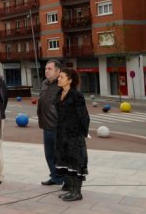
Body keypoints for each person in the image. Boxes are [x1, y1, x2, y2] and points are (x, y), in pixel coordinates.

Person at [54, 68, 90, 202]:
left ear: (70, 80)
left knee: (76, 162)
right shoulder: (59, 93)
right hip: (62, 133)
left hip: (74, 135)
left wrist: (81, 134)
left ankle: (77, 192)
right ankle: (71, 190)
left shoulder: (77, 95)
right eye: (59, 77)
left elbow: (84, 116)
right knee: (65, 161)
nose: (59, 79)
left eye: (61, 77)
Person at [37, 59, 64, 186]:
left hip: (58, 126)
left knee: (61, 156)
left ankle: (64, 179)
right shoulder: (44, 83)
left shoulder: (62, 84)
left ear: (58, 71)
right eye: (46, 68)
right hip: (46, 125)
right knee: (49, 155)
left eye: (50, 69)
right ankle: (55, 177)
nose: (46, 71)